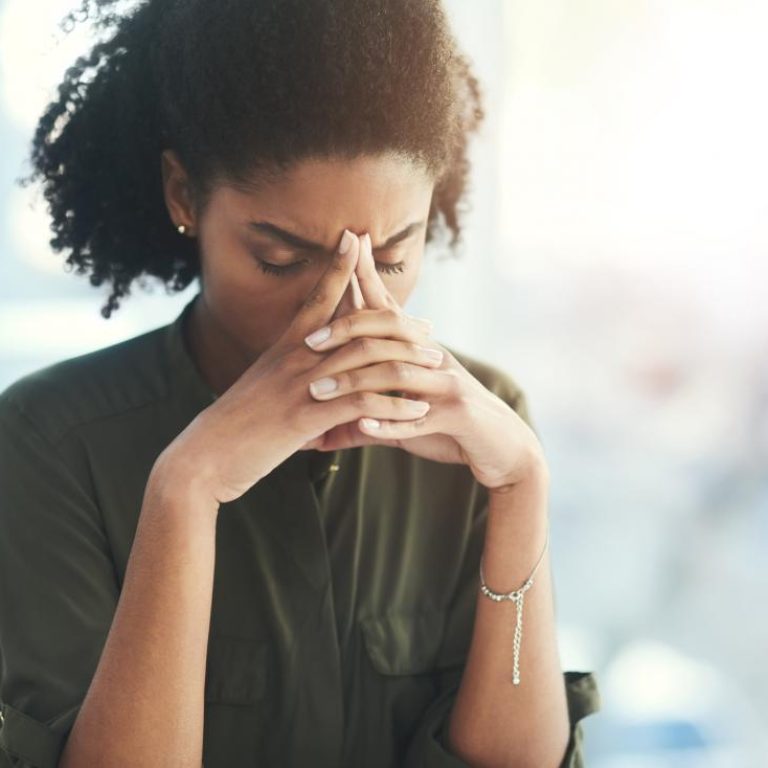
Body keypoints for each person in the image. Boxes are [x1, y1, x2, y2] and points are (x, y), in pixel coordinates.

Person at [0, 0, 601, 766]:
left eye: (391, 258)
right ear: (184, 194)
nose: (348, 307)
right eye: (281, 260)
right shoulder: (49, 442)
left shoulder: (482, 430)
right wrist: (186, 488)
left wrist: (521, 484)